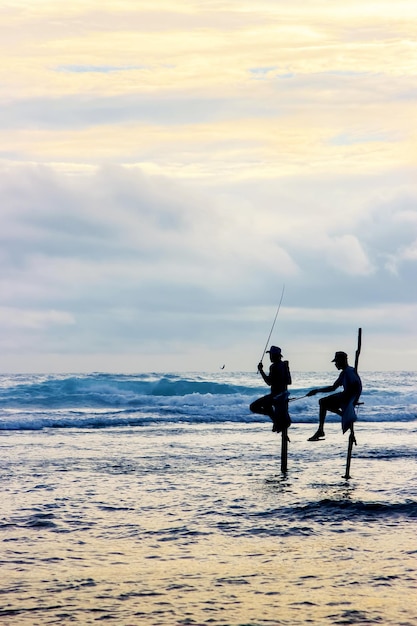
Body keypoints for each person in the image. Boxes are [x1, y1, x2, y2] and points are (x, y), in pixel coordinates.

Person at [307, 351, 362, 441]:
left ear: (342, 361)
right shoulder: (346, 372)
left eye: (337, 362)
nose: (335, 364)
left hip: (347, 397)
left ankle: (321, 430)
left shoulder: (348, 372)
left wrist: (354, 399)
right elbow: (333, 388)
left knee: (322, 402)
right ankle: (341, 416)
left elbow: (357, 386)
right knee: (324, 403)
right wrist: (317, 391)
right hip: (347, 397)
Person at [250, 346, 292, 433]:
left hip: (276, 395)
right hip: (284, 394)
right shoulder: (284, 365)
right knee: (267, 406)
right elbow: (289, 381)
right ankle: (276, 420)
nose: (270, 357)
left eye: (271, 355)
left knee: (253, 407)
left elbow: (269, 382)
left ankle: (276, 420)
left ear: (274, 355)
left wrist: (261, 370)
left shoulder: (274, 367)